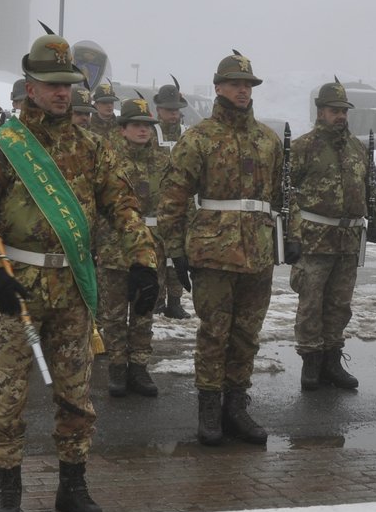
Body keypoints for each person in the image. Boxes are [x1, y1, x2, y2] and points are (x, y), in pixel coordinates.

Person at [0, 31, 157, 512]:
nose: (63, 93)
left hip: (71, 287)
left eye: (68, 84)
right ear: (30, 86)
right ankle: (8, 484)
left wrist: (144, 258)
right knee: (6, 391)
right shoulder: (3, 148)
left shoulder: (92, 148)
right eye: (52, 84)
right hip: (15, 287)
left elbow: (123, 206)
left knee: (75, 391)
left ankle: (72, 483)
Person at [159, 52, 282, 447]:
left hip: (258, 254)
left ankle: (236, 405)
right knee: (214, 333)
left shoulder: (268, 139)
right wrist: (176, 251)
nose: (243, 90)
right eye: (235, 84)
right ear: (218, 88)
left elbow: (280, 196)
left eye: (247, 85)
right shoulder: (199, 138)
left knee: (247, 334)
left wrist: (286, 239)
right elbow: (173, 199)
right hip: (213, 254)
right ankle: (209, 409)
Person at [286, 79, 376, 393]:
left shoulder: (357, 148)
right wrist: (292, 234)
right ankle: (311, 362)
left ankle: (332, 360)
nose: (340, 116)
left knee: (340, 305)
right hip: (314, 239)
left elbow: (371, 188)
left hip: (348, 241)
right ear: (320, 111)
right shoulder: (303, 147)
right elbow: (286, 194)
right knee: (311, 303)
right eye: (334, 110)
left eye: (344, 111)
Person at [98, 95, 168, 399]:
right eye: (136, 125)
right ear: (123, 128)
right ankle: (116, 366)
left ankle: (139, 367)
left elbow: (175, 203)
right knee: (113, 313)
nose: (143, 130)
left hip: (151, 248)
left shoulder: (164, 161)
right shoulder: (108, 159)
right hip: (114, 247)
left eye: (147, 126)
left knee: (143, 309)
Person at [152, 80, 191, 318]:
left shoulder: (189, 136)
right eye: (168, 110)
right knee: (155, 257)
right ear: (158, 110)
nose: (173, 114)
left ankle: (175, 302)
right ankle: (157, 300)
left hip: (183, 205)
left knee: (178, 255)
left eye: (176, 110)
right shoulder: (150, 133)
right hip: (156, 206)